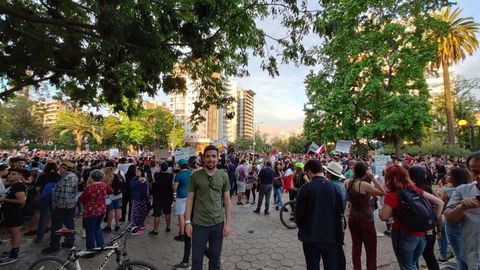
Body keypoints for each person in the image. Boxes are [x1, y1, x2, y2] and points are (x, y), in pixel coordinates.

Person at [379, 164, 444, 270]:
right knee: (413, 263)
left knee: (407, 266)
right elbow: (440, 203)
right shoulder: (415, 189)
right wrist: (434, 221)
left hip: (403, 234)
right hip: (422, 235)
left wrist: (380, 210)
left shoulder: (393, 195)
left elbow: (383, 216)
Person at [185, 145, 232, 270]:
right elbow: (189, 199)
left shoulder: (223, 176)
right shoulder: (195, 176)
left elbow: (227, 200)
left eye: (214, 156)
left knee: (215, 260)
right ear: (203, 158)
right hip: (199, 225)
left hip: (218, 224)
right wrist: (187, 222)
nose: (211, 159)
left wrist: (228, 224)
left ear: (218, 158)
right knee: (196, 261)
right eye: (208, 156)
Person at [295, 159, 344, 270]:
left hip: (310, 236)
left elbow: (299, 215)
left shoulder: (305, 188)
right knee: (331, 266)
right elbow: (340, 213)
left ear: (309, 171)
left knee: (312, 266)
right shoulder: (335, 188)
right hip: (331, 237)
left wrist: (303, 228)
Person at [345, 161, 385, 270]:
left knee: (356, 247)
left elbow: (348, 198)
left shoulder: (347, 182)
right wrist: (372, 178)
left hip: (352, 217)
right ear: (365, 173)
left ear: (354, 170)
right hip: (366, 219)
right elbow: (383, 192)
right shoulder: (364, 185)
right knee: (371, 250)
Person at [444, 152, 480, 270]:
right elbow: (449, 218)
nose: (478, 176)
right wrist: (461, 207)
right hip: (471, 253)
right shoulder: (462, 191)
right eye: (474, 171)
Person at [42, 161, 79, 254]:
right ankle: (70, 241)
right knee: (69, 224)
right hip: (69, 205)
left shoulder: (67, 177)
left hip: (62, 206)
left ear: (65, 168)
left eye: (61, 167)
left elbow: (65, 193)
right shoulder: (72, 176)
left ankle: (54, 246)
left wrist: (60, 204)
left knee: (57, 226)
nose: (59, 168)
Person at [409, 166, 440, 270]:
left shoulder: (409, 191)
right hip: (429, 227)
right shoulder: (428, 189)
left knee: (414, 258)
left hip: (415, 229)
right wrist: (435, 221)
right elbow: (440, 202)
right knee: (429, 255)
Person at [438, 167, 470, 270]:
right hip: (468, 223)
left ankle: (443, 254)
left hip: (453, 223)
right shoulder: (470, 189)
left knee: (459, 255)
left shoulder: (446, 190)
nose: (446, 177)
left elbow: (444, 208)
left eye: (448, 175)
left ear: (455, 177)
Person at [77, 170, 113, 251]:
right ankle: (100, 246)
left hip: (90, 212)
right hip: (101, 210)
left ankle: (90, 250)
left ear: (92, 178)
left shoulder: (89, 189)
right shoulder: (104, 185)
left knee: (90, 231)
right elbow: (111, 191)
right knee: (97, 228)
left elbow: (80, 199)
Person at [0, 168, 27, 265]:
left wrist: (4, 199)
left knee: (15, 233)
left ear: (19, 176)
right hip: (9, 212)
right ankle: (12, 250)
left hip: (15, 213)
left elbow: (21, 200)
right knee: (12, 232)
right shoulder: (13, 185)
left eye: (14, 174)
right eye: (10, 173)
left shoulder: (19, 186)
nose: (10, 175)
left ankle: (14, 254)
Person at [33, 162, 61, 243]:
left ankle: (39, 237)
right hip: (55, 198)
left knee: (43, 217)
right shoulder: (59, 176)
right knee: (55, 217)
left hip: (44, 198)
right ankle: (54, 236)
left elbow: (37, 188)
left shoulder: (43, 176)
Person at [149, 162, 174, 236]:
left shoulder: (157, 175)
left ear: (160, 168)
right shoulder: (171, 176)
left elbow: (156, 172)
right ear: (167, 168)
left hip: (158, 198)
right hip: (168, 197)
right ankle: (168, 227)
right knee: (167, 213)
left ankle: (155, 230)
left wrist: (159, 168)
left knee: (157, 214)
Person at [172, 159, 191, 241]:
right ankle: (188, 230)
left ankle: (182, 234)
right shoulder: (191, 172)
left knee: (180, 215)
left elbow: (174, 187)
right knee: (187, 214)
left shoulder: (178, 175)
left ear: (179, 166)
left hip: (181, 196)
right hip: (189, 195)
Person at [103, 161, 123, 232]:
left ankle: (109, 226)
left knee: (110, 211)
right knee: (117, 210)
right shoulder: (117, 174)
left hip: (108, 196)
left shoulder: (104, 176)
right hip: (118, 195)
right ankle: (117, 225)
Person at [130, 167, 149, 235]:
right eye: (136, 171)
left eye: (138, 171)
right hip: (136, 198)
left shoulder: (144, 179)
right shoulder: (134, 179)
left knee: (142, 212)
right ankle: (134, 229)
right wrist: (138, 181)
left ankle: (140, 225)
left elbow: (145, 189)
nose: (136, 172)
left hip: (142, 198)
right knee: (135, 214)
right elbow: (131, 187)